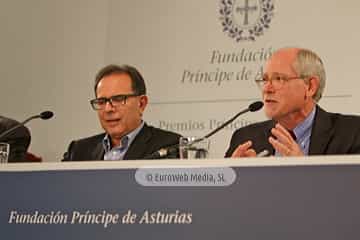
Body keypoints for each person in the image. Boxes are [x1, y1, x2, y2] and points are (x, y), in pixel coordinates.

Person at [225, 47, 360, 157]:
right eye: (265, 80)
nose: (267, 88)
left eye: (278, 79)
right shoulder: (245, 138)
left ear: (310, 87)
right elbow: (223, 189)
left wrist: (303, 171)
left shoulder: (353, 133)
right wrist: (237, 175)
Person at [62, 64, 181, 161]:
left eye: (118, 99)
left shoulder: (170, 146)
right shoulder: (78, 151)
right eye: (102, 101)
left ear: (141, 104)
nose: (108, 108)